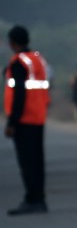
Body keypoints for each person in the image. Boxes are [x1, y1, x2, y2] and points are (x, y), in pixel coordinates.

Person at [5, 25, 50, 215]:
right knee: (37, 160)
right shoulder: (37, 59)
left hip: (24, 118)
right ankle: (39, 198)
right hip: (38, 115)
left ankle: (32, 199)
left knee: (27, 162)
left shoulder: (18, 62)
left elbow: (19, 94)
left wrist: (12, 122)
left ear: (12, 43)